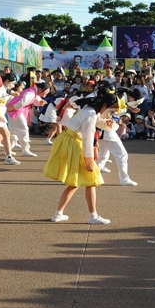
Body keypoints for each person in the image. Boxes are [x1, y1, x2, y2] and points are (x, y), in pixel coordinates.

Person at [43, 90, 114, 224]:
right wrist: (89, 160)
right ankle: (92, 216)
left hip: (70, 141)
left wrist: (106, 123)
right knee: (90, 180)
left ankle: (59, 213)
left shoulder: (90, 110)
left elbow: (96, 122)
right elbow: (88, 138)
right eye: (111, 110)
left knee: (76, 182)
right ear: (104, 105)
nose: (110, 114)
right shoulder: (91, 113)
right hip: (75, 143)